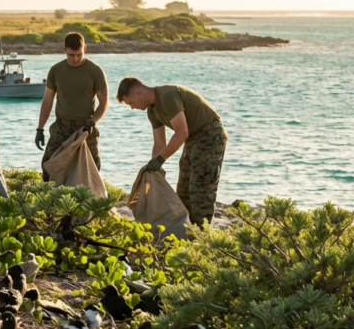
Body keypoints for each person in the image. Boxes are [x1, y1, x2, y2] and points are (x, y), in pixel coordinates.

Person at [116, 76, 228, 227]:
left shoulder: (167, 97)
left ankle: (203, 236)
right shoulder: (152, 111)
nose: (132, 107)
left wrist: (160, 160)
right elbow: (159, 143)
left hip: (210, 134)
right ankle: (188, 232)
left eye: (131, 103)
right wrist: (154, 168)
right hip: (193, 139)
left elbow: (181, 133)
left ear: (137, 92)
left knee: (200, 189)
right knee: (183, 191)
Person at [36, 32, 108, 180]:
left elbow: (104, 103)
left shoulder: (95, 71)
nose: (75, 59)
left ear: (85, 49)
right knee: (48, 167)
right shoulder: (56, 70)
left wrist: (93, 122)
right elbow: (47, 101)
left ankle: (91, 201)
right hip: (61, 127)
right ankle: (51, 200)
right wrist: (40, 128)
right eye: (71, 55)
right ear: (64, 50)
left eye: (79, 54)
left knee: (92, 170)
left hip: (86, 128)